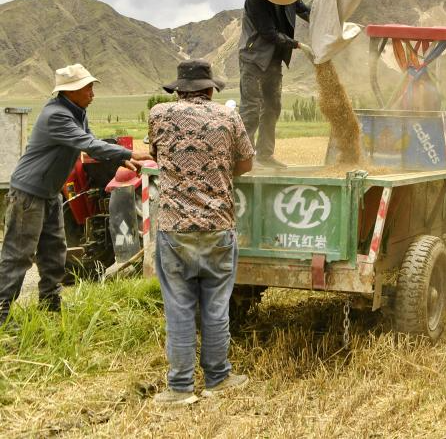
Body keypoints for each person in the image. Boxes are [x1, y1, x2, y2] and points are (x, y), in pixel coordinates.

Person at [0, 64, 152, 329]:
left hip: (49, 192)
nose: (92, 93)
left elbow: (90, 142)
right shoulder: (57, 115)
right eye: (88, 88)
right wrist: (128, 153)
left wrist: (120, 159)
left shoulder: (77, 113)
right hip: (29, 193)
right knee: (19, 254)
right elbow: (88, 144)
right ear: (71, 91)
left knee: (54, 250)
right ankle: (2, 313)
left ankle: (50, 304)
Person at [147, 59, 255, 405]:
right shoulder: (228, 116)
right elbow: (247, 162)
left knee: (179, 308)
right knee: (216, 307)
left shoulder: (159, 114)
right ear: (210, 89)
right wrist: (218, 173)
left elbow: (157, 156)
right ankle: (217, 378)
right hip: (218, 227)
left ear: (178, 89)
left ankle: (180, 388)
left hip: (174, 230)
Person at [238, 0, 313, 168]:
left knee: (273, 106)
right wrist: (298, 45)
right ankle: (245, 159)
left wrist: (327, 23)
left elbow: (306, 12)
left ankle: (265, 155)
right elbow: (268, 33)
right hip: (253, 59)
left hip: (273, 61)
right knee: (251, 109)